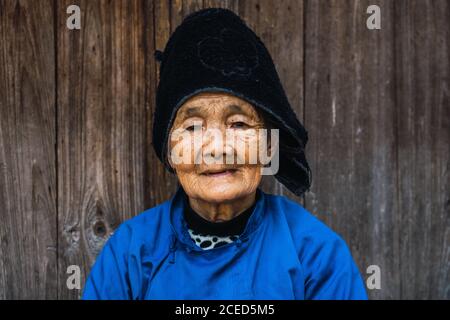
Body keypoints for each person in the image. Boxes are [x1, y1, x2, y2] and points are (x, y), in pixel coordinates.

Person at [82, 8, 367, 300]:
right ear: (169, 150)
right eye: (192, 127)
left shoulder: (316, 254)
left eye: (239, 124)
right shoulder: (130, 254)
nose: (217, 148)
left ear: (269, 145)